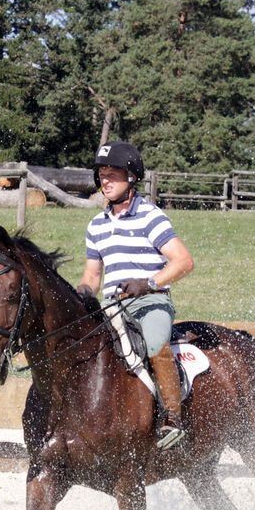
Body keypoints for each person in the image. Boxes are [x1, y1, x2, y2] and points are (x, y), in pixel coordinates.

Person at [77, 141, 195, 450]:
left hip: (149, 302)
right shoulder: (96, 225)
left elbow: (183, 261)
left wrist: (149, 283)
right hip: (111, 306)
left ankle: (172, 418)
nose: (105, 181)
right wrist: (79, 295)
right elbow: (92, 276)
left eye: (113, 174)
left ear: (131, 177)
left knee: (156, 344)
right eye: (102, 174)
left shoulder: (150, 217)